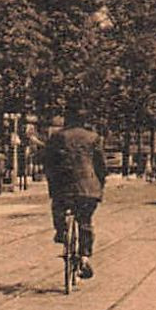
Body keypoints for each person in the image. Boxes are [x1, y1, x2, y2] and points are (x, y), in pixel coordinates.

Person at [41, 112, 107, 279]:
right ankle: (84, 257)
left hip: (64, 186)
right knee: (85, 221)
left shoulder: (57, 137)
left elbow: (48, 161)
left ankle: (61, 232)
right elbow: (101, 165)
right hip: (88, 188)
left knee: (58, 207)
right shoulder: (93, 137)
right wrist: (100, 185)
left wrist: (52, 182)